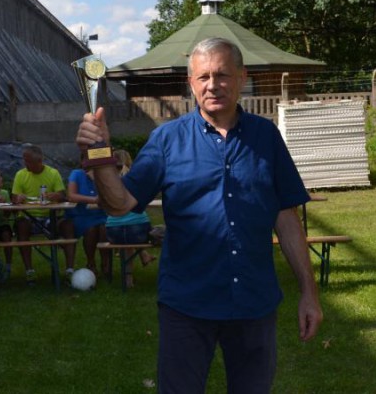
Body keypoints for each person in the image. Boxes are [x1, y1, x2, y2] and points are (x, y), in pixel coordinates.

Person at [76, 37, 322, 393]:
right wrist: (99, 155)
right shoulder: (166, 140)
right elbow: (120, 204)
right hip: (187, 306)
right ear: (191, 83)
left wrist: (308, 293)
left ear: (241, 77)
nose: (213, 84)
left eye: (222, 74)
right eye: (203, 76)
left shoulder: (266, 137)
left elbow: (287, 219)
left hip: (254, 304)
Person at [10, 145, 74, 284]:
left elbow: (63, 196)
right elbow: (14, 198)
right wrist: (17, 199)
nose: (25, 164)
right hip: (29, 217)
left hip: (50, 217)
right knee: (21, 225)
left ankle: (70, 269)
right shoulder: (21, 174)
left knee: (68, 226)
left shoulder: (53, 173)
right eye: (24, 160)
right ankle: (29, 271)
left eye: (28, 161)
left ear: (39, 162)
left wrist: (56, 195)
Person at [104, 150, 154, 288]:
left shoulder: (107, 180)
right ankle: (142, 259)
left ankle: (129, 278)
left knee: (126, 240)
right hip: (138, 230)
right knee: (138, 227)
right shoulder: (136, 179)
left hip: (113, 231)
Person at [65, 165, 109, 277]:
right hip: (81, 214)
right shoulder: (76, 174)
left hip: (100, 214)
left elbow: (111, 195)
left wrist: (96, 180)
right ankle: (91, 262)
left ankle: (106, 263)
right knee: (91, 229)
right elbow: (71, 196)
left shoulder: (103, 175)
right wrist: (93, 200)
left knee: (105, 228)